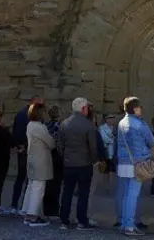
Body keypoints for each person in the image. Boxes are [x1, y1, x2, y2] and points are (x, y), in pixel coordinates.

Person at [116, 96, 154, 236]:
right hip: (137, 163)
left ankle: (123, 223)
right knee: (132, 195)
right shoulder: (140, 124)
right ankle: (129, 226)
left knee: (126, 194)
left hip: (123, 162)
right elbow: (152, 142)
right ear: (135, 108)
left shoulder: (121, 122)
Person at [58, 97, 99, 230]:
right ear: (83, 108)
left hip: (69, 163)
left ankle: (64, 220)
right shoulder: (88, 125)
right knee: (83, 193)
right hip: (84, 164)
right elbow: (93, 147)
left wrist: (65, 157)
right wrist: (93, 160)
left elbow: (60, 145)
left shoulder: (64, 123)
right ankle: (81, 221)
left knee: (67, 192)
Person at [22, 103, 54, 227]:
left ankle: (26, 211)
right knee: (38, 188)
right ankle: (32, 216)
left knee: (31, 186)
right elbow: (50, 142)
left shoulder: (30, 125)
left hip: (32, 158)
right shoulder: (40, 127)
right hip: (40, 160)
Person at [10, 94, 42, 214]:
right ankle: (20, 204)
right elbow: (18, 132)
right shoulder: (25, 115)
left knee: (24, 177)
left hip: (26, 149)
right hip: (26, 149)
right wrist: (20, 145)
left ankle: (20, 204)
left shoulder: (24, 114)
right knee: (25, 177)